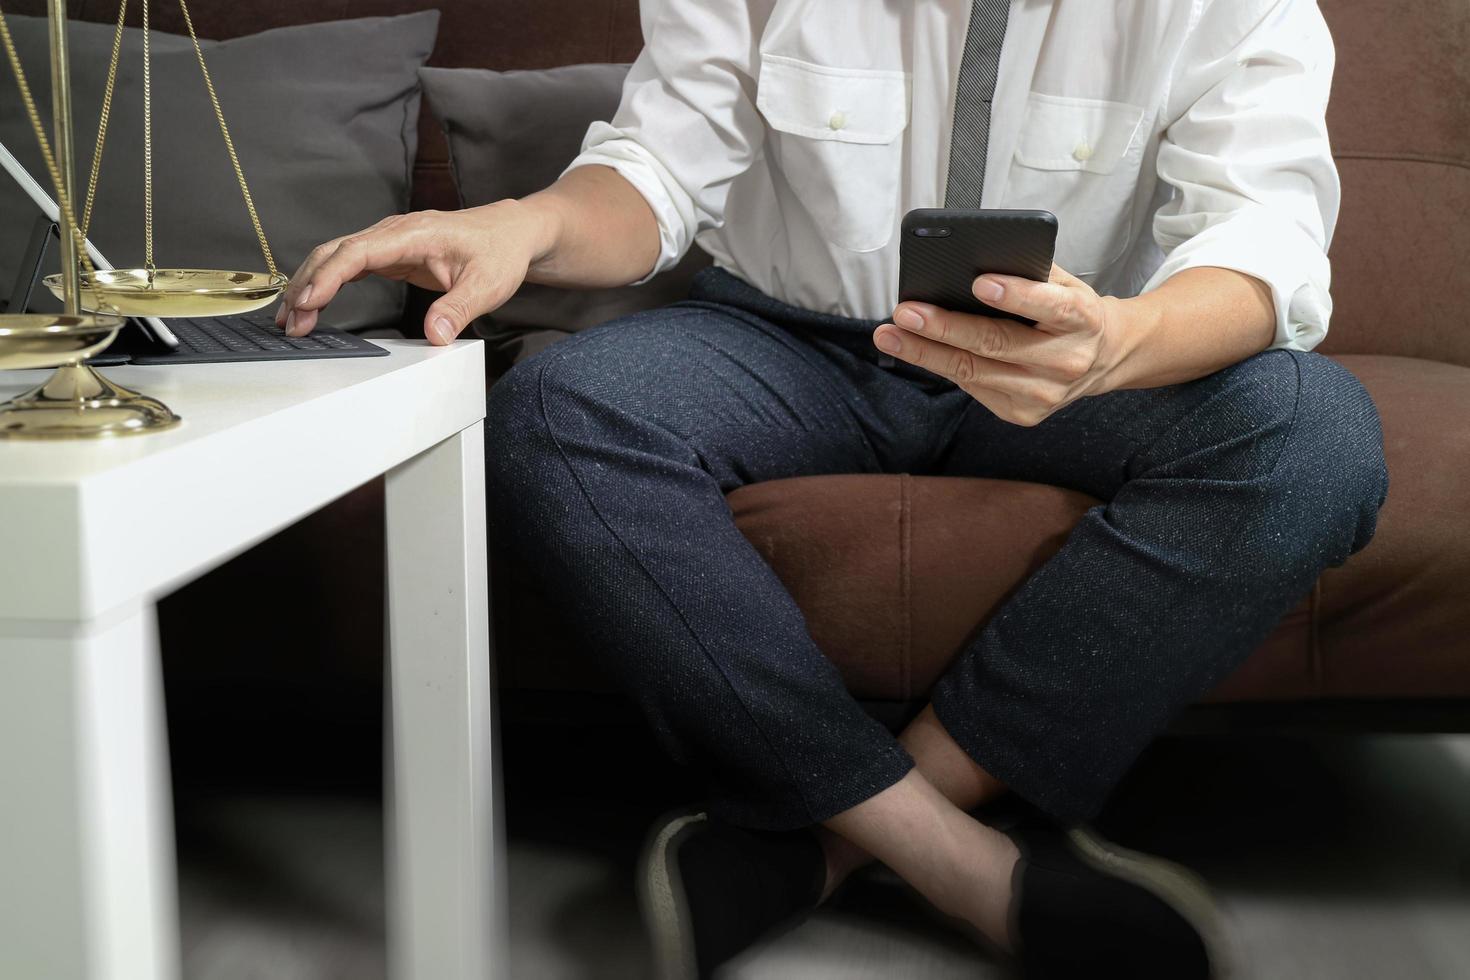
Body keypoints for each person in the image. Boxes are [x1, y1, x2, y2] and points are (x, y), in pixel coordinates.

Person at [280, 0, 1387, 975]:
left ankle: (822, 843)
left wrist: (1122, 337)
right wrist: (519, 224)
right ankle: (956, 859)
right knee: (555, 409)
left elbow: (1262, 236)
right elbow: (656, 172)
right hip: (794, 339)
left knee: (1316, 434)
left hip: (1084, 358)